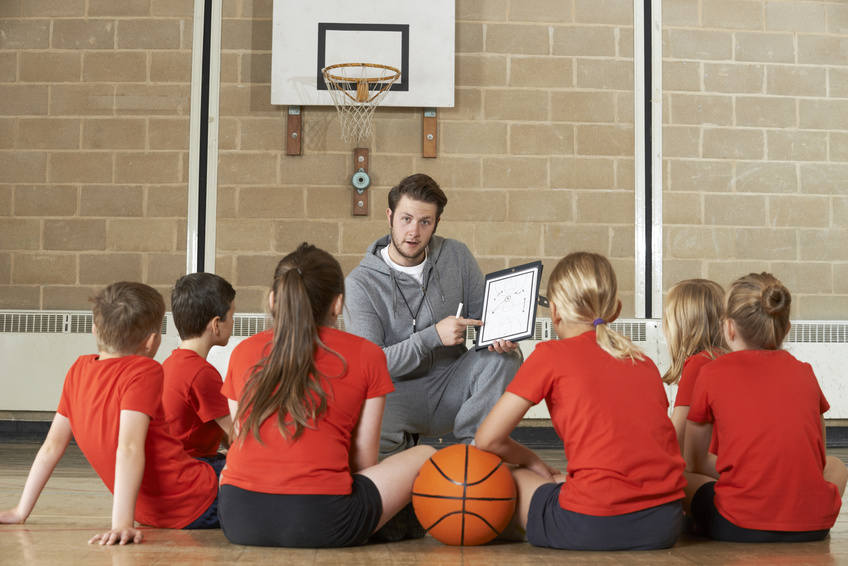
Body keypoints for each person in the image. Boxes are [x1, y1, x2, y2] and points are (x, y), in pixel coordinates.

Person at [217, 243, 436, 548]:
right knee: (427, 455)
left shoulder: (242, 352)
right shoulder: (367, 355)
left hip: (238, 520)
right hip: (324, 522)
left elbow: (238, 436)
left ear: (272, 300)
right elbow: (363, 461)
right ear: (337, 305)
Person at [475, 252, 686, 551]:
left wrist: (534, 462)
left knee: (505, 474)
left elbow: (486, 440)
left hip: (591, 525)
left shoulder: (549, 355)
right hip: (665, 525)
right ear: (616, 310)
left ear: (555, 312)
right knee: (564, 482)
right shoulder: (644, 360)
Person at [0, 282, 220, 545]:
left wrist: (21, 510)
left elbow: (51, 447)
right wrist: (121, 525)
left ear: (95, 329)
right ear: (151, 341)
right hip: (195, 502)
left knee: (213, 460)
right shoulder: (144, 370)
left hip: (146, 510)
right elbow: (128, 447)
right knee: (253, 463)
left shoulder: (78, 370)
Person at [344, 173, 522, 456]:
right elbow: (371, 365)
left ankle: (476, 454)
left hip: (451, 386)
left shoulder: (457, 256)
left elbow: (486, 319)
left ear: (436, 223)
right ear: (389, 217)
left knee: (505, 357)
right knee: (359, 402)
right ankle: (402, 458)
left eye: (424, 222)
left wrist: (501, 336)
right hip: (396, 396)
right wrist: (432, 337)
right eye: (406, 219)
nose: (413, 232)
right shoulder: (359, 284)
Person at [684, 272, 848, 542]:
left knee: (681, 476)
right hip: (814, 526)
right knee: (836, 465)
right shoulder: (804, 372)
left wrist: (745, 470)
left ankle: (699, 523)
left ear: (729, 328)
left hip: (738, 525)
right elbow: (818, 460)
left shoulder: (711, 372)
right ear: (786, 329)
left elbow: (694, 461)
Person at [162, 272, 235, 469]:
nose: (233, 322)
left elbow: (228, 437)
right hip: (187, 470)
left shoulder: (170, 363)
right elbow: (239, 435)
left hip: (174, 463)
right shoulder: (201, 373)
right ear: (216, 324)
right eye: (232, 316)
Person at [661, 279, 725, 457]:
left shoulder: (700, 364)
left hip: (715, 473)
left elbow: (674, 442)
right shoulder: (723, 359)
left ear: (680, 325)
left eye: (666, 318)